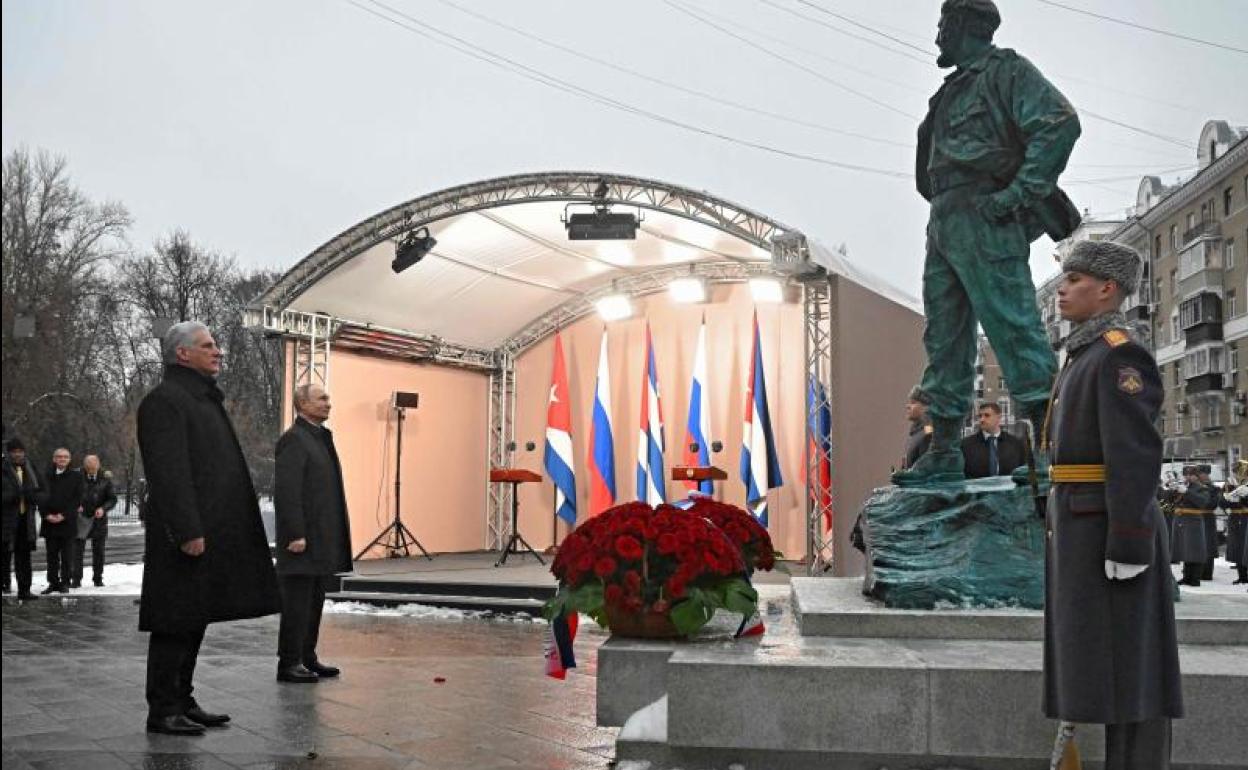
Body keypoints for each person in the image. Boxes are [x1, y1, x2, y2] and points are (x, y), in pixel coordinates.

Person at [895, 0, 1081, 485]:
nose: (937, 37)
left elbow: (1059, 123)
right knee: (944, 337)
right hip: (946, 216)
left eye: (942, 25)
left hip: (985, 213)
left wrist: (1019, 193)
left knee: (1013, 325)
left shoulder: (1007, 71)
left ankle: (1046, 451)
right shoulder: (950, 91)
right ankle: (943, 450)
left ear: (963, 25)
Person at [1043, 240, 1181, 769]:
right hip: (1082, 525)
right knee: (1100, 666)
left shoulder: (1119, 352)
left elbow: (1134, 454)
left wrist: (1128, 540)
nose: (1062, 287)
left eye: (1074, 279)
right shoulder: (1085, 352)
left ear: (1107, 289)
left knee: (1134, 670)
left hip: (1107, 529)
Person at [137, 321, 279, 736]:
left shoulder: (200, 399)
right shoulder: (165, 401)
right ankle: (162, 708)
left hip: (210, 529)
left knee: (194, 617)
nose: (218, 351)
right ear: (182, 354)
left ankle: (183, 698)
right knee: (174, 620)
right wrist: (187, 530)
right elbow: (169, 473)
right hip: (184, 535)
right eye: (208, 345)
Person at [274, 383, 353, 683]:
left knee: (314, 600)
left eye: (328, 398)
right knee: (297, 603)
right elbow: (288, 491)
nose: (328, 403)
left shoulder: (319, 438)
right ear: (302, 404)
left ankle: (307, 657)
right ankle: (289, 662)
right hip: (302, 540)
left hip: (321, 539)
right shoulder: (294, 440)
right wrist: (295, 533)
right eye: (321, 399)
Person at [2, 438, 42, 600]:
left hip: (26, 520)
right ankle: (4, 586)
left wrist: (35, 496)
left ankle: (24, 590)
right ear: (9, 453)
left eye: (20, 451)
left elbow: (42, 489)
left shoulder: (30, 467)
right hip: (6, 521)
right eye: (14, 452)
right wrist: (14, 495)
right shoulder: (4, 468)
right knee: (4, 556)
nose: (18, 454)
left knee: (24, 558)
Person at [39, 448, 83, 594]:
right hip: (49, 522)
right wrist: (46, 515)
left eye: (65, 457)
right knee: (51, 556)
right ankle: (53, 582)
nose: (62, 459)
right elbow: (40, 498)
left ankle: (65, 582)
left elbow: (77, 499)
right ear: (54, 459)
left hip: (67, 522)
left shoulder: (76, 477)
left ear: (69, 460)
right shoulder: (45, 476)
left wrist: (64, 515)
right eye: (59, 457)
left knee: (67, 556)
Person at [73, 455, 117, 588]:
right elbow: (70, 494)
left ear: (98, 465)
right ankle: (76, 579)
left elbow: (112, 499)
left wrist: (103, 509)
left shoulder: (105, 479)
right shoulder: (76, 476)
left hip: (99, 519)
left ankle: (98, 578)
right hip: (80, 519)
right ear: (84, 466)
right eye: (88, 468)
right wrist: (75, 505)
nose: (91, 471)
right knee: (77, 551)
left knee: (99, 551)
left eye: (93, 468)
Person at [959, 402, 1026, 479]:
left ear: (999, 417)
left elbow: (1022, 471)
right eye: (980, 416)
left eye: (987, 415)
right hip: (978, 489)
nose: (982, 419)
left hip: (1008, 489)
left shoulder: (1016, 443)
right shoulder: (966, 445)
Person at [1173, 466, 1211, 587]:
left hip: (1194, 521)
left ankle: (1195, 578)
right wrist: (1172, 490)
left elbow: (1203, 502)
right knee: (1186, 549)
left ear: (1196, 476)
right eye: (1186, 475)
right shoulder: (1184, 486)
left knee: (1196, 550)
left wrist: (1187, 492)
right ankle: (1186, 576)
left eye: (1191, 475)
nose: (1188, 477)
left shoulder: (1201, 488)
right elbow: (1173, 502)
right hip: (1183, 521)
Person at [1196, 465, 1220, 581]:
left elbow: (1212, 504)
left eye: (1203, 473)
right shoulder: (1194, 487)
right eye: (1200, 473)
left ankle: (1207, 573)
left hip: (1207, 518)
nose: (1202, 475)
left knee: (1208, 546)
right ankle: (1195, 571)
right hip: (1196, 517)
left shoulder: (1214, 488)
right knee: (1196, 545)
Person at [902, 386, 933, 471]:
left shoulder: (928, 434)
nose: (907, 406)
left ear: (926, 407)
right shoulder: (914, 434)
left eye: (913, 402)